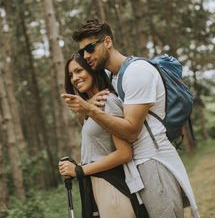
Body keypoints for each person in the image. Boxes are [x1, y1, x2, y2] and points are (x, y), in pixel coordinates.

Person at [61, 19, 200, 218]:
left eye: (90, 48)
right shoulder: (115, 76)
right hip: (138, 166)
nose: (86, 56)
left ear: (107, 41)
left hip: (154, 161)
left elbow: (132, 131)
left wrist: (90, 110)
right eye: (83, 51)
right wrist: (89, 104)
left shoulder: (137, 72)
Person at [58, 53, 146, 218]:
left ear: (92, 70)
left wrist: (79, 170)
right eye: (71, 75)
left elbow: (124, 153)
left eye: (79, 71)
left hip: (111, 187)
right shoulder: (93, 107)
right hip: (97, 186)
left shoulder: (108, 101)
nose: (75, 78)